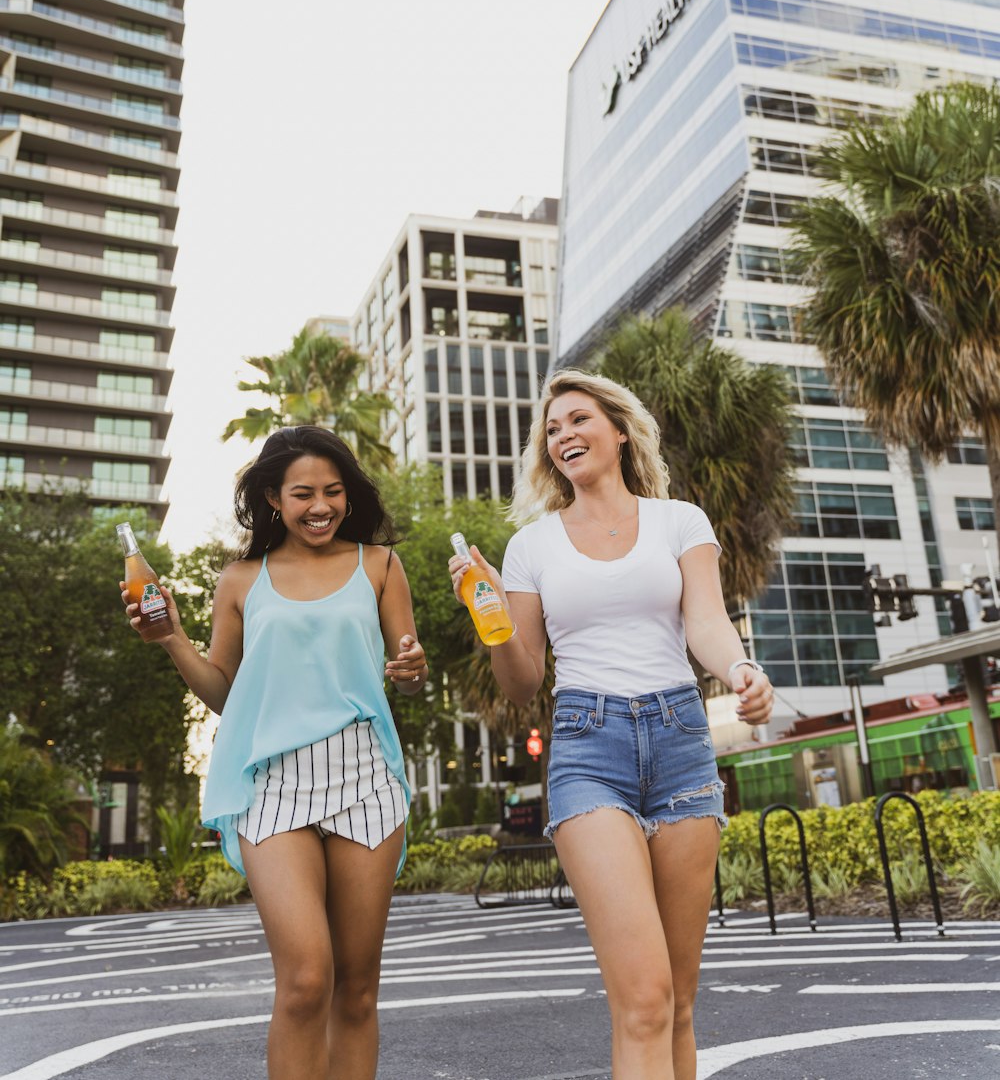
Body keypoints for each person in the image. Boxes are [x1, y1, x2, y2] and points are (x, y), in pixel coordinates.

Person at [449, 370, 773, 1080]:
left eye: (576, 419)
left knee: (679, 1003)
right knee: (644, 999)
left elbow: (706, 623)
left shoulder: (679, 521)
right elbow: (524, 679)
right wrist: (493, 620)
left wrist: (742, 669)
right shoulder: (531, 546)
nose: (563, 434)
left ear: (619, 429)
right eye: (551, 430)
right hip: (588, 747)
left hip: (682, 741)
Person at [121, 426, 427, 1080]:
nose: (321, 506)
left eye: (334, 492)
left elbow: (408, 661)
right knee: (306, 978)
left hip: (365, 775)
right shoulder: (240, 579)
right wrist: (173, 638)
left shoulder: (381, 565)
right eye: (304, 493)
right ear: (272, 498)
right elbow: (225, 693)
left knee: (358, 987)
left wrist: (411, 670)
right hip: (275, 785)